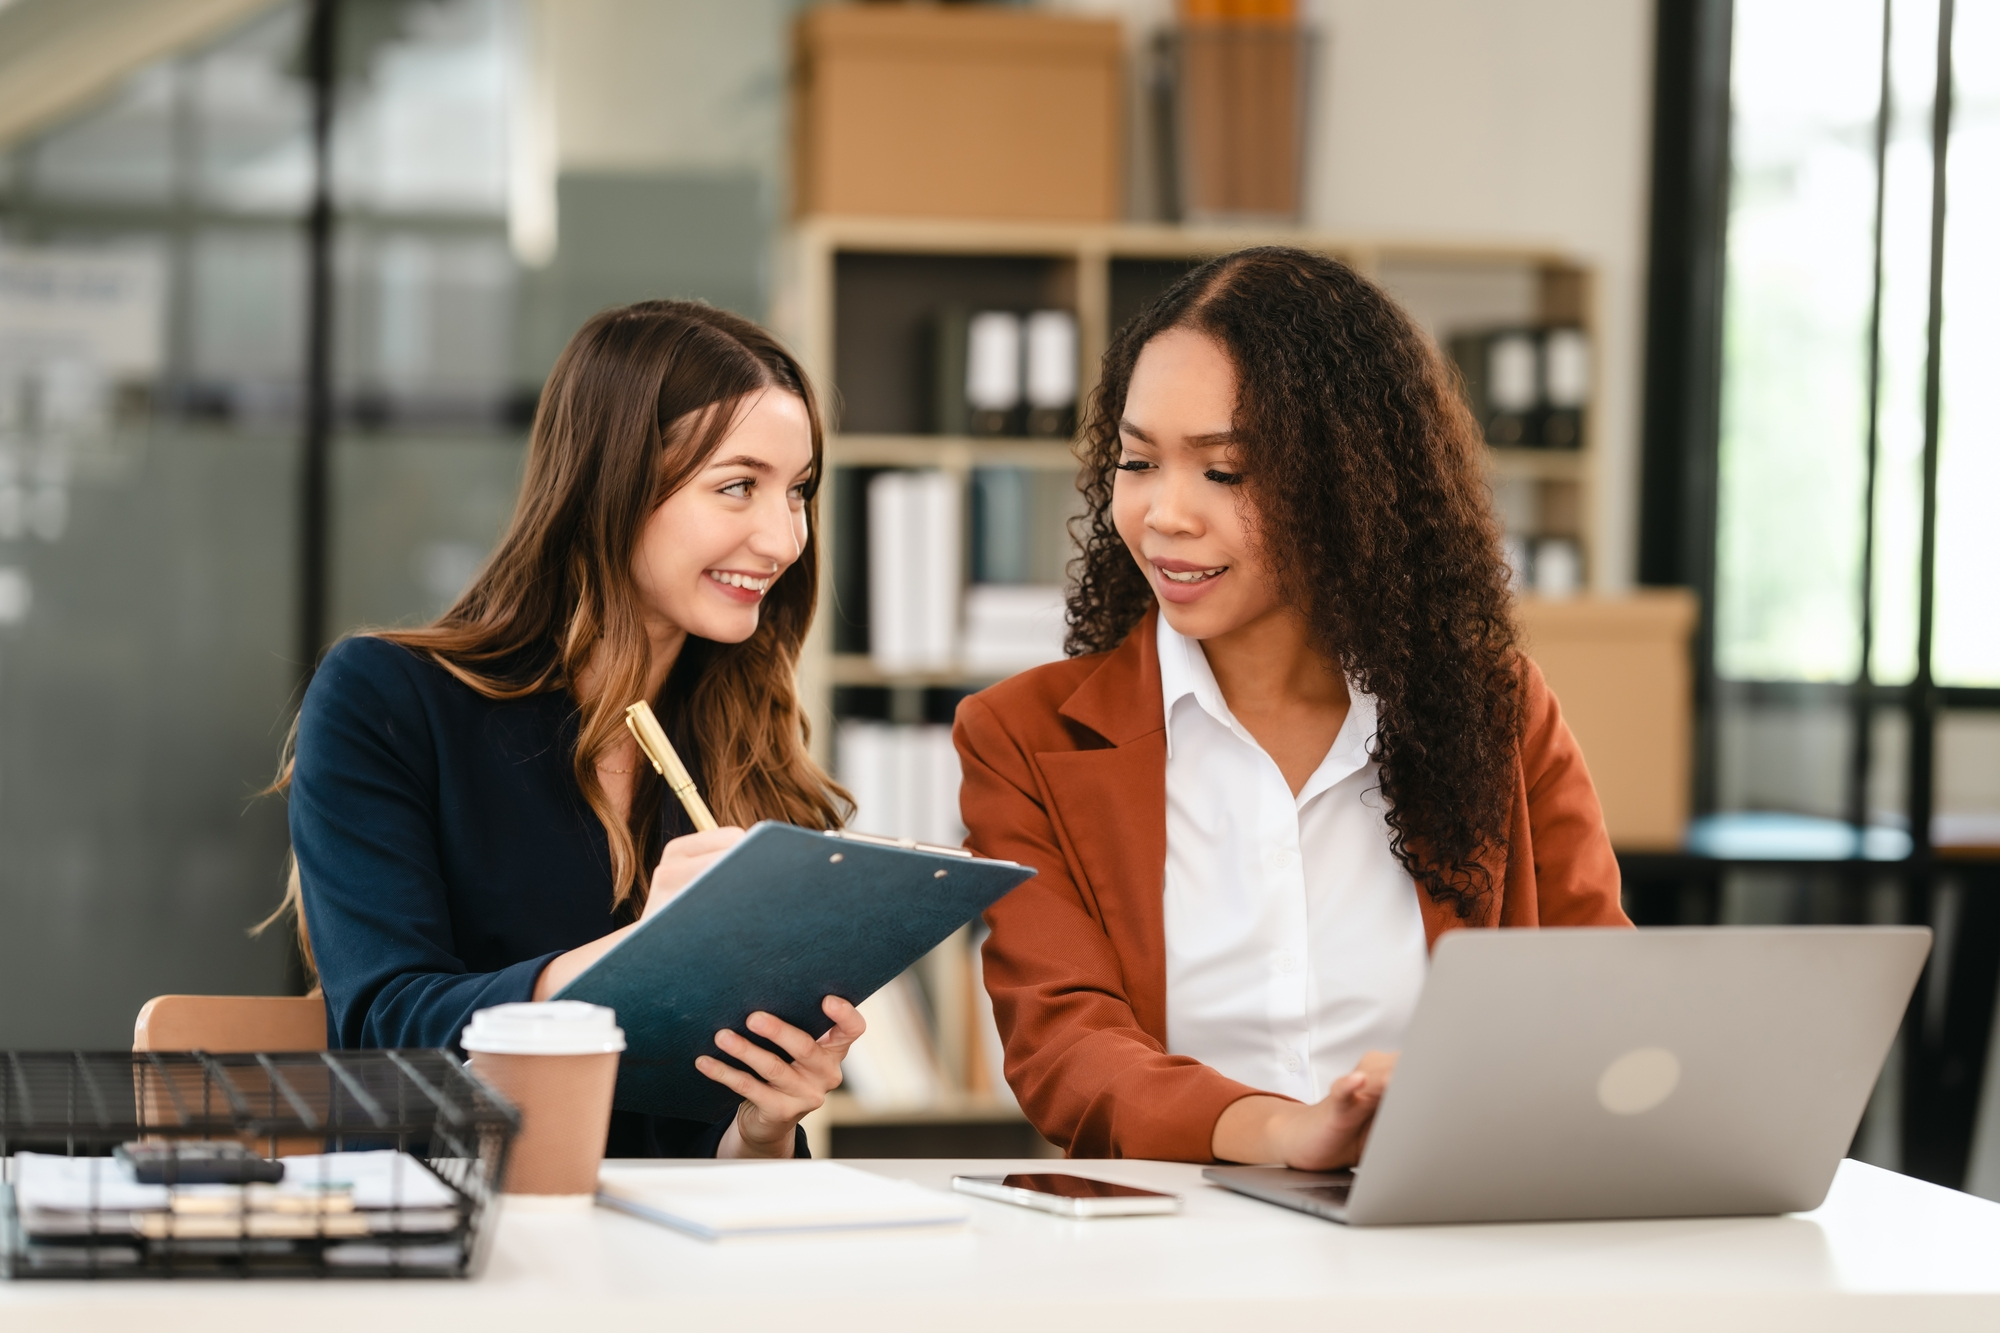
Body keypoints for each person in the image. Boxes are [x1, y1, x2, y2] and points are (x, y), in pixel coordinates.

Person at [955, 247, 1628, 1169]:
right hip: (1170, 1261)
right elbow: (1066, 1048)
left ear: (1350, 481)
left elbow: (1599, 1000)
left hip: (1442, 1244)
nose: (1164, 513)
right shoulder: (1023, 741)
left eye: (1224, 473)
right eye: (1140, 460)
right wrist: (1285, 1131)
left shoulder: (1497, 711)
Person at [265, 300, 863, 1159]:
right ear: (610, 486)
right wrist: (646, 957)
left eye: (798, 491)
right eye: (738, 486)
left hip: (669, 1272)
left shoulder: (746, 747)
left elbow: (714, 1166)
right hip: (460, 1244)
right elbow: (387, 1030)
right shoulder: (388, 699)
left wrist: (765, 1122)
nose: (784, 538)